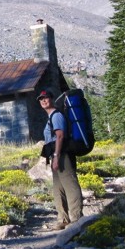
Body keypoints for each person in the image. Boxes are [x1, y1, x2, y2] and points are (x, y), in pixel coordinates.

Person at [38, 89, 83, 230]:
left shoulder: (56, 116)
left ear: (51, 99)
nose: (44, 100)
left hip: (62, 155)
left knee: (70, 185)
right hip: (56, 155)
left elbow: (60, 136)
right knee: (59, 189)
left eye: (46, 97)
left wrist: (56, 156)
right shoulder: (51, 117)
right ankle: (63, 219)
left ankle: (76, 219)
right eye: (41, 99)